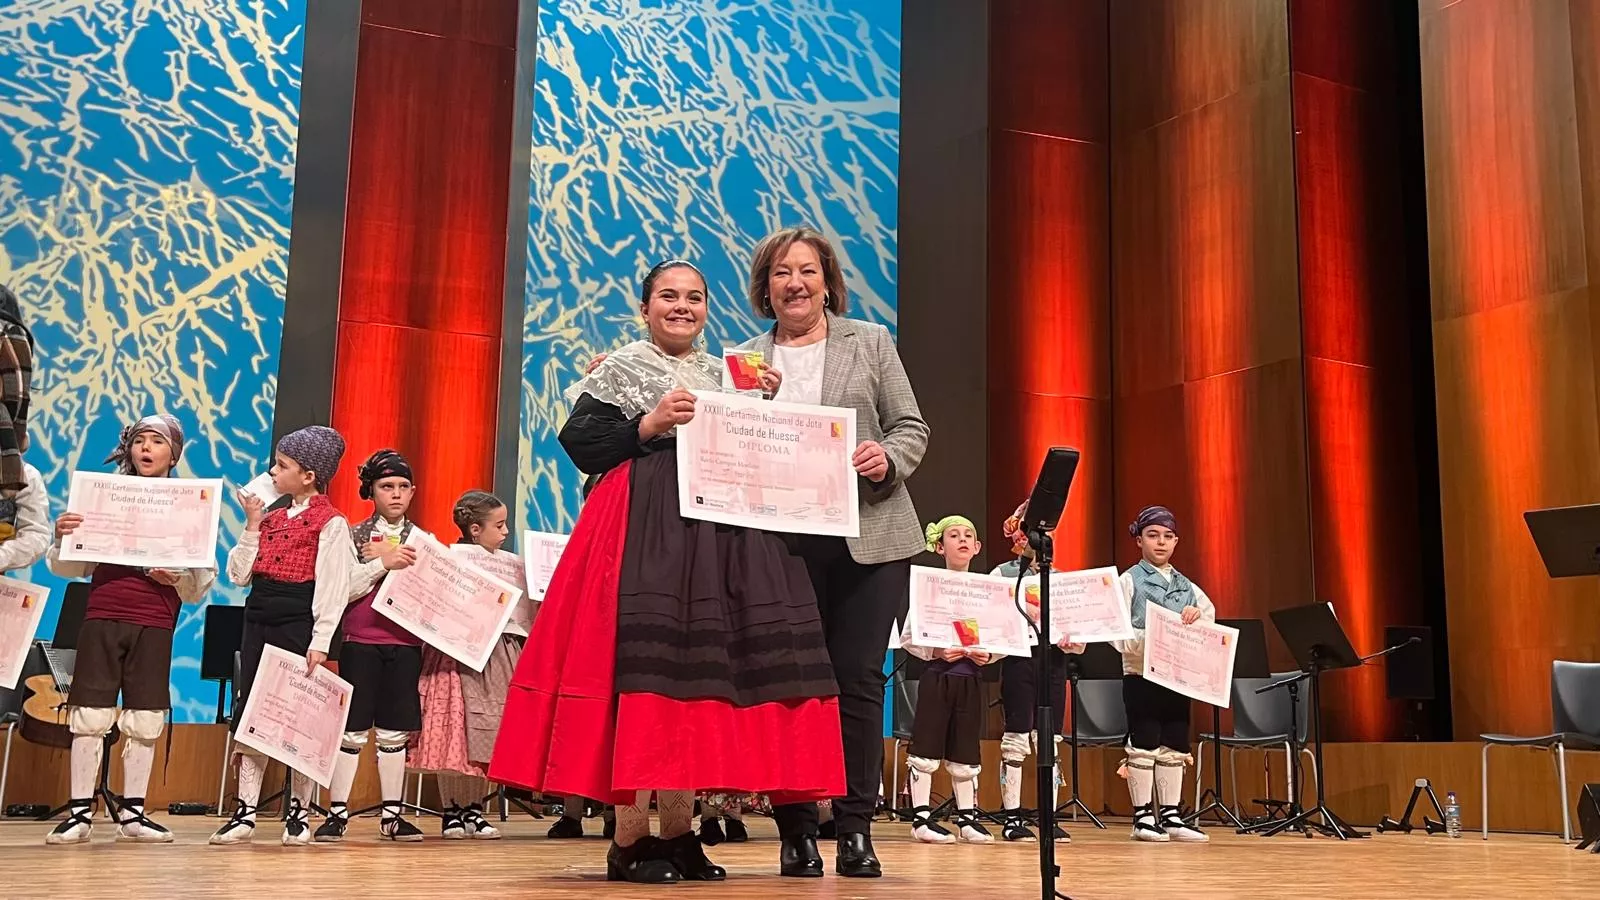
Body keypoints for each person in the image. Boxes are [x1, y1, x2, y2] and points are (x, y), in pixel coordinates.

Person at [490, 259, 844, 885]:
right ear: (645, 305)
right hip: (640, 525)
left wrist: (761, 410)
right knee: (639, 669)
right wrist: (649, 424)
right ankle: (629, 840)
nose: (682, 306)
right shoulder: (622, 366)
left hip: (716, 534)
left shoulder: (727, 372)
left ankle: (680, 836)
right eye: (668, 296)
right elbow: (582, 445)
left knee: (691, 676)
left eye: (695, 298)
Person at [739, 227, 930, 879]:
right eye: (781, 273)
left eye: (807, 271)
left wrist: (887, 459)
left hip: (867, 539)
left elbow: (910, 427)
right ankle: (795, 831)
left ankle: (854, 829)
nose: (795, 283)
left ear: (827, 281)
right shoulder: (741, 360)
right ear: (766, 287)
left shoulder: (869, 342)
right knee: (788, 687)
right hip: (777, 545)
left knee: (857, 682)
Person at [43, 415, 216, 845]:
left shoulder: (188, 506)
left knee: (144, 714)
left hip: (154, 619)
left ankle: (134, 813)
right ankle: (80, 813)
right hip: (103, 613)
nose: (146, 448)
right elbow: (71, 565)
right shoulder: (105, 498)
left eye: (157, 441)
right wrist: (63, 534)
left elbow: (198, 583)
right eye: (140, 440)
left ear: (172, 453)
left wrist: (174, 577)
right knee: (89, 712)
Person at [212, 425, 351, 847]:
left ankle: (298, 813)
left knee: (299, 718)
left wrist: (320, 641)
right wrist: (252, 524)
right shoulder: (269, 518)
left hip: (297, 623)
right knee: (253, 714)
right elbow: (238, 575)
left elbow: (333, 587)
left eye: (283, 465)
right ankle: (245, 812)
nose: (273, 471)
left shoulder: (331, 522)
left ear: (308, 475)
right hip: (258, 619)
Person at [315, 449, 424, 842]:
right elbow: (340, 589)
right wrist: (383, 563)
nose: (395, 494)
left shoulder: (425, 543)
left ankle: (392, 816)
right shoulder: (352, 534)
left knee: (395, 732)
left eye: (402, 487)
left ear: (413, 492)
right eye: (386, 486)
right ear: (372, 491)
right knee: (352, 729)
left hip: (406, 644)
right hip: (360, 640)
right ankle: (337, 813)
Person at [409, 489, 524, 840]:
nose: (505, 533)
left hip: (498, 650)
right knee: (453, 730)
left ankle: (475, 810)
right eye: (499, 525)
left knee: (486, 729)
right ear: (475, 529)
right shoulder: (452, 559)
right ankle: (452, 811)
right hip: (455, 652)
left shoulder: (510, 562)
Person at [1106, 505, 1214, 843]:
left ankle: (1170, 815)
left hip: (1177, 678)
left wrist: (1197, 620)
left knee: (1175, 742)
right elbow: (1117, 630)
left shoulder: (1188, 587)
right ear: (1139, 540)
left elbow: (1209, 623)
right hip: (1141, 675)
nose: (1161, 543)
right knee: (1144, 741)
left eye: (1168, 537)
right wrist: (1152, 637)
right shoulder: (1129, 580)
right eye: (1153, 536)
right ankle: (1141, 817)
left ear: (1177, 541)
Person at [901, 515, 999, 845]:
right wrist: (938, 651)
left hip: (971, 679)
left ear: (977, 547)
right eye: (953, 535)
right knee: (927, 744)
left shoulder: (986, 592)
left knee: (965, 748)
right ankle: (921, 819)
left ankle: (967, 819)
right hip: (938, 678)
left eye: (968, 535)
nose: (962, 540)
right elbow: (910, 636)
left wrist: (991, 655)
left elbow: (1001, 634)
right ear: (940, 547)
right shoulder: (930, 589)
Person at [990, 500, 1071, 843]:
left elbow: (1075, 623)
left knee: (1049, 738)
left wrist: (1073, 637)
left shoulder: (1062, 579)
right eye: (1027, 532)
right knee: (1017, 736)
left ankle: (1047, 817)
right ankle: (1012, 817)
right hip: (1019, 658)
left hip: (1053, 660)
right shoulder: (1002, 574)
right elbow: (992, 618)